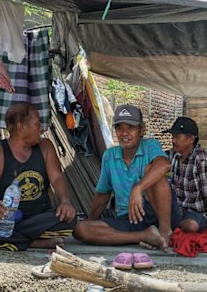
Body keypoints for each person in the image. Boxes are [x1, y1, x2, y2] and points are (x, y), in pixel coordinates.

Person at [0, 102, 76, 251]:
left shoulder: (46, 146)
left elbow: (57, 178)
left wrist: (65, 201)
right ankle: (33, 242)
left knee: (69, 220)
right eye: (37, 123)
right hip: (5, 219)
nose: (41, 127)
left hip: (38, 217)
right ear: (21, 126)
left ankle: (12, 240)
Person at [73, 105, 179, 251]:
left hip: (160, 213)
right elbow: (103, 194)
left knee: (152, 170)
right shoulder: (109, 156)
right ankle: (144, 235)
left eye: (130, 128)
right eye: (119, 128)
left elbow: (164, 165)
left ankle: (165, 232)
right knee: (80, 230)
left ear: (142, 130)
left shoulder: (150, 145)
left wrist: (138, 188)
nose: (124, 133)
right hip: (131, 218)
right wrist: (91, 222)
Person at [164, 117, 207, 232]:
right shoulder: (173, 155)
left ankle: (170, 227)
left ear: (191, 139)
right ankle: (170, 226)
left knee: (191, 226)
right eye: (173, 136)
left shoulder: (201, 160)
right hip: (178, 210)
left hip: (198, 214)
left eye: (177, 137)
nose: (173, 140)